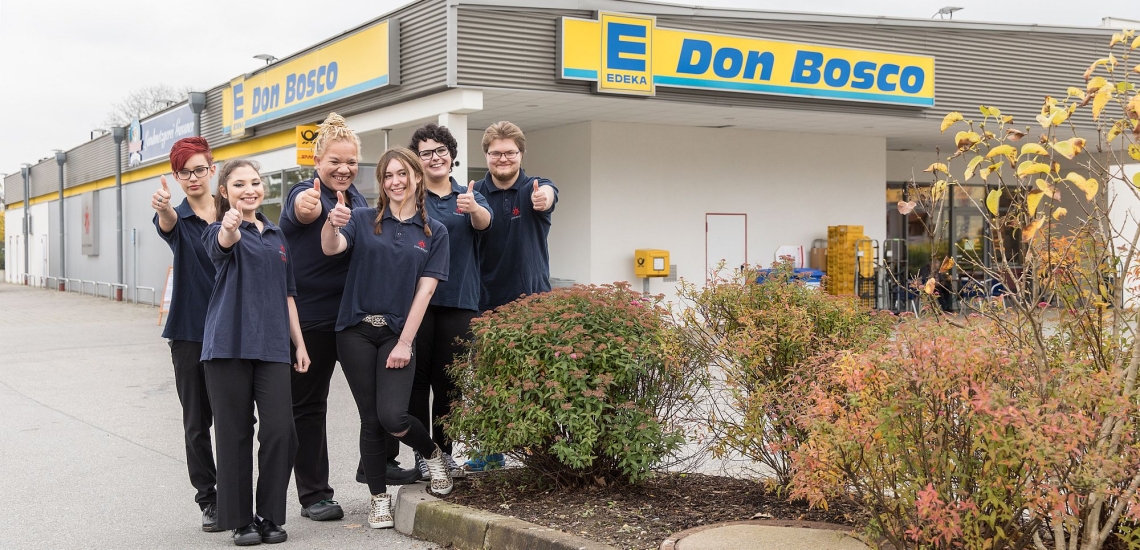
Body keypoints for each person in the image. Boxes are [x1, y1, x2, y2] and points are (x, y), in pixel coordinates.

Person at [278, 113, 420, 524]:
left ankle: (375, 465)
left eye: (351, 162)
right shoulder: (303, 194)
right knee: (308, 407)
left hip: (357, 319)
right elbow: (302, 213)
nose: (343, 169)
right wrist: (311, 209)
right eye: (334, 162)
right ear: (317, 162)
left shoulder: (361, 201)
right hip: (313, 321)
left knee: (376, 403)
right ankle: (314, 495)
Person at [322, 146, 454, 530]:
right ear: (381, 183)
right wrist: (332, 224)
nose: (395, 182)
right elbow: (333, 248)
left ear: (416, 177)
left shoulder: (434, 232)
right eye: (387, 176)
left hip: (398, 333)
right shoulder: (362, 219)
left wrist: (405, 342)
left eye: (402, 174)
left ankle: (431, 452)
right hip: (355, 331)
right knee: (370, 419)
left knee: (393, 416)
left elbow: (425, 291)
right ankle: (379, 500)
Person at [202, 159, 309, 546]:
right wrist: (230, 228)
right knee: (234, 433)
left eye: (255, 182)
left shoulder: (278, 235)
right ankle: (239, 520)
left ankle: (268, 515)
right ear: (225, 192)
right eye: (239, 184)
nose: (250, 189)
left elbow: (289, 293)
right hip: (227, 345)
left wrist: (299, 343)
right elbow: (221, 245)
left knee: (281, 430)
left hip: (273, 346)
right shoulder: (219, 229)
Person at [468, 121, 558, 471]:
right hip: (485, 303)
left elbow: (549, 195)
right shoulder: (475, 194)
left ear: (521, 154)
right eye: (495, 153)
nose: (502, 158)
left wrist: (543, 198)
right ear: (486, 156)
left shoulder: (536, 188)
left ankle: (538, 454)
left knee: (533, 382)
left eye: (509, 152)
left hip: (532, 304)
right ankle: (490, 453)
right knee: (488, 383)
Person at [407, 123, 491, 479]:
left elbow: (485, 224)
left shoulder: (468, 195)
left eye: (440, 150)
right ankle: (423, 455)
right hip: (415, 304)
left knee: (450, 384)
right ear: (418, 160)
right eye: (426, 153)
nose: (434, 157)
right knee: (416, 382)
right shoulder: (410, 197)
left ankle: (446, 453)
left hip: (460, 300)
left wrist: (472, 208)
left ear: (452, 156)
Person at [151, 137, 221, 532]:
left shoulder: (234, 209)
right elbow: (168, 225)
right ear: (176, 178)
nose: (192, 178)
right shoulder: (176, 217)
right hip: (190, 332)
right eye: (184, 172)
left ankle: (236, 493)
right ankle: (209, 499)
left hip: (234, 331)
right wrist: (163, 209)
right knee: (197, 421)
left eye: (198, 169)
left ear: (211, 169)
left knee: (237, 418)